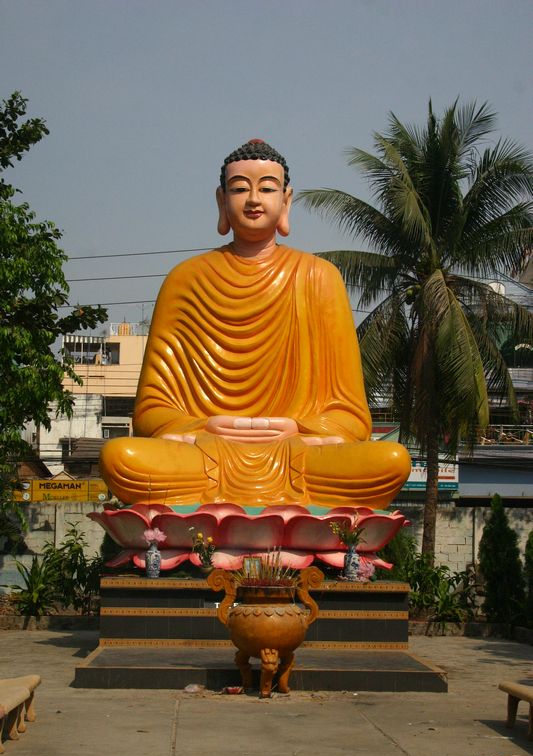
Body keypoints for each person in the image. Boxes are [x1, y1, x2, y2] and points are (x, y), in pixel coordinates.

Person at [100, 140, 410, 508]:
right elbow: (151, 411)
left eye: (266, 188)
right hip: (206, 453)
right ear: (221, 200)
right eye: (239, 189)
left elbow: (352, 417)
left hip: (297, 453)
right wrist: (203, 426)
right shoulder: (186, 280)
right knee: (120, 458)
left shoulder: (319, 278)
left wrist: (298, 428)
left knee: (391, 461)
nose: (252, 199)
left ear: (286, 200)